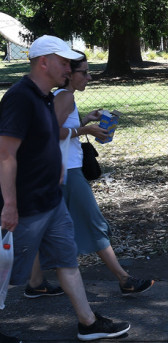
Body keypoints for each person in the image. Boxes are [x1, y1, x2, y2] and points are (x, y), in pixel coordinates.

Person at [0, 35, 130, 342]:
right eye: (64, 62)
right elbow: (5, 154)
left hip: (51, 198)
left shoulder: (46, 96)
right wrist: (9, 204)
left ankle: (88, 322)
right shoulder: (20, 97)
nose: (70, 69)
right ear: (43, 62)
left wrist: (56, 168)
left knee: (67, 259)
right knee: (6, 271)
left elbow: (46, 139)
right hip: (26, 202)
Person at [23, 50, 155, 298]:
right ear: (69, 74)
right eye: (83, 72)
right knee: (94, 224)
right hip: (68, 172)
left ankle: (35, 282)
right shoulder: (65, 97)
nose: (89, 77)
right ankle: (124, 279)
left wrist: (84, 121)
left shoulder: (61, 96)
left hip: (55, 172)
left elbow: (59, 127)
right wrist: (87, 129)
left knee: (43, 229)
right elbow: (50, 132)